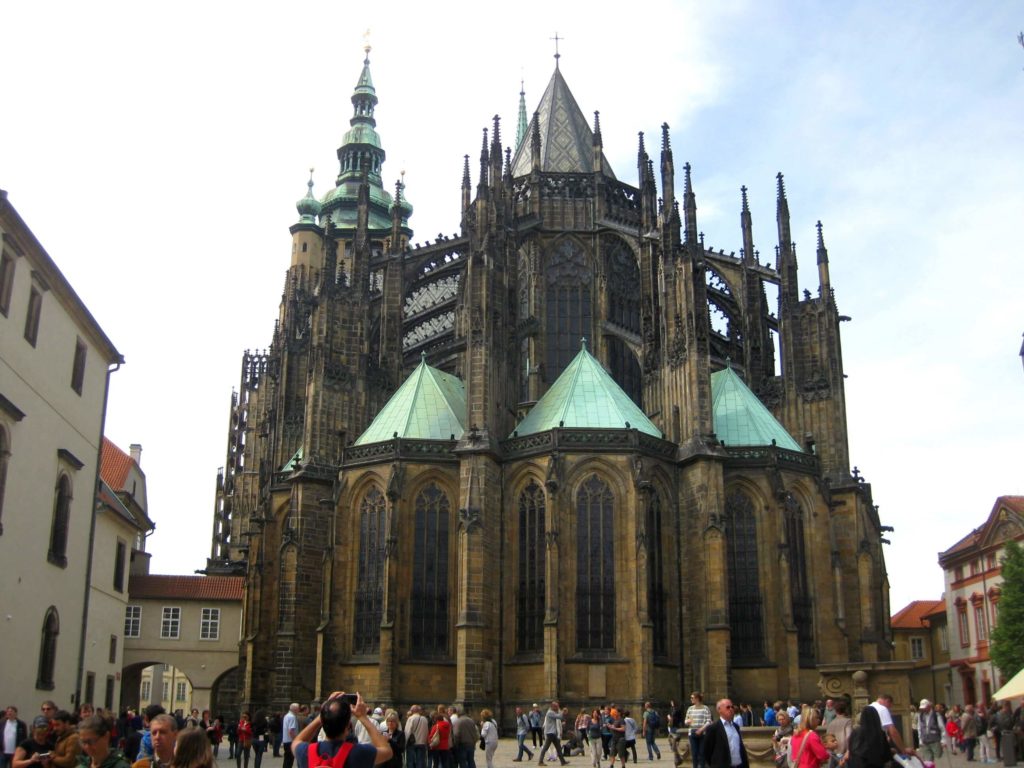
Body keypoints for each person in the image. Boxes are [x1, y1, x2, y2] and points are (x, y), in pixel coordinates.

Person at [291, 692, 391, 768]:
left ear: (323, 721)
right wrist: (363, 717)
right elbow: (387, 751)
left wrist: (321, 716)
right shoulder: (358, 753)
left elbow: (296, 741)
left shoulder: (305, 752)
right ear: (348, 726)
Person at [702, 700, 749, 768]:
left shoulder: (736, 727)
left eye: (732, 707)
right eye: (728, 707)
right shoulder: (713, 728)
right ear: (719, 710)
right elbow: (707, 751)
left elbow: (740, 747)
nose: (731, 709)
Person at [685, 694, 712, 768]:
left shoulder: (705, 708)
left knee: (702, 753)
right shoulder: (690, 708)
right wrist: (688, 721)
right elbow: (686, 720)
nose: (691, 699)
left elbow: (709, 721)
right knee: (694, 753)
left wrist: (701, 729)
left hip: (702, 732)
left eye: (692, 698)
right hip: (692, 732)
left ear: (697, 698)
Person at [538, 701, 567, 767]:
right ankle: (540, 761)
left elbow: (561, 717)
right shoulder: (550, 712)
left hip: (553, 733)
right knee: (545, 748)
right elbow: (559, 716)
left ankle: (563, 761)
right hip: (550, 733)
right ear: (552, 706)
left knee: (558, 748)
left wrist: (562, 712)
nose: (557, 708)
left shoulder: (552, 712)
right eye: (556, 706)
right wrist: (562, 710)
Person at [916, 700, 943, 765]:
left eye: (924, 707)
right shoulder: (920, 715)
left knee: (938, 757)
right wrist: (920, 740)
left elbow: (942, 727)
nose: (923, 709)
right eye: (922, 708)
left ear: (929, 706)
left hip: (935, 740)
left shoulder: (936, 715)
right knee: (928, 761)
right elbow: (919, 728)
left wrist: (943, 740)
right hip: (925, 741)